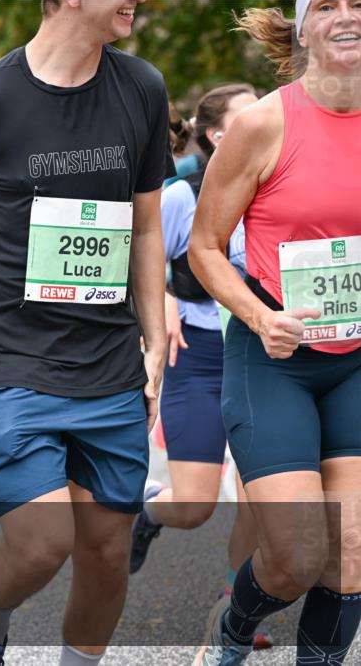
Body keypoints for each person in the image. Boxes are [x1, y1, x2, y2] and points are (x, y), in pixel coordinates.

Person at [0, 0, 173, 664]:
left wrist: (157, 340)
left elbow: (149, 225)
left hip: (108, 362)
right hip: (7, 360)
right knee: (44, 540)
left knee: (106, 553)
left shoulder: (143, 88)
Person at [188, 1, 360, 665]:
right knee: (294, 557)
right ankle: (235, 624)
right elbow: (204, 247)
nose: (347, 16)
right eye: (328, 5)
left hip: (357, 361)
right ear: (303, 27)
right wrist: (261, 317)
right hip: (275, 357)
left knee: (350, 556)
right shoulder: (263, 124)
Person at [128, 83, 274, 650]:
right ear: (217, 136)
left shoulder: (276, 184)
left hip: (264, 356)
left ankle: (235, 605)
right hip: (201, 355)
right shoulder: (181, 195)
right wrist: (162, 299)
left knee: (261, 497)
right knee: (192, 505)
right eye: (249, 111)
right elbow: (141, 259)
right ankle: (149, 513)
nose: (267, 115)